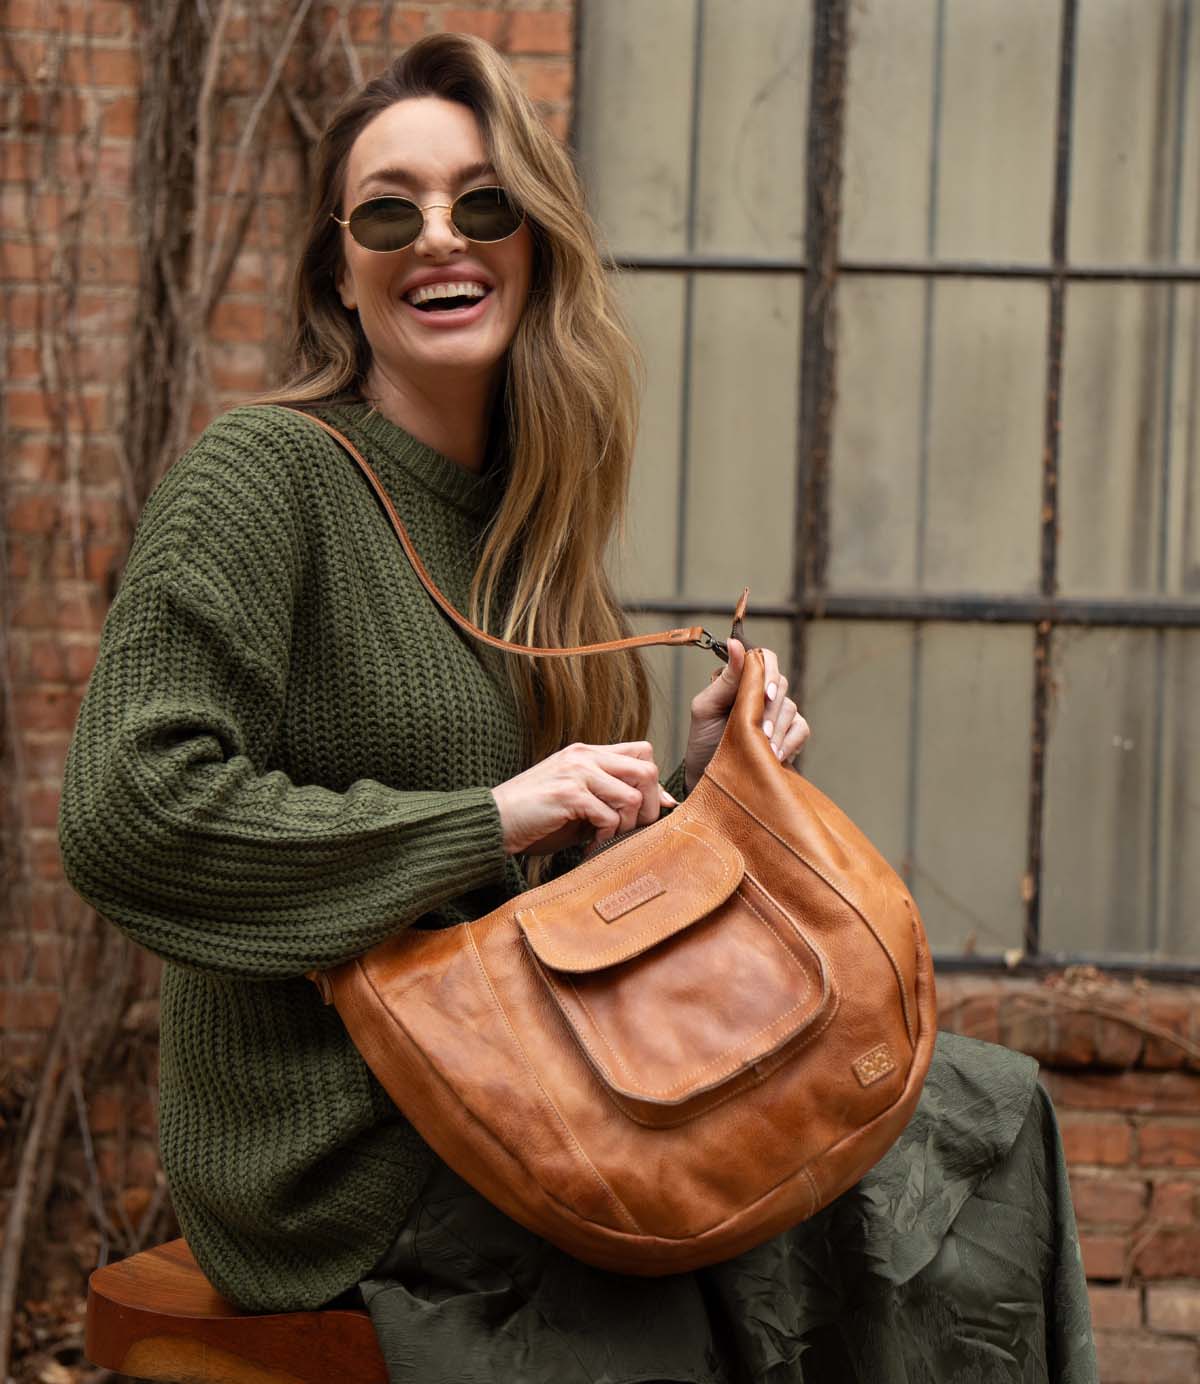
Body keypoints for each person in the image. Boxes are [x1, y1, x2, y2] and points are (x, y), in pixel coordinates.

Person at [59, 32, 1097, 1384]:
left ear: (534, 238)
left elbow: (559, 904)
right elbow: (125, 815)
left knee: (983, 1116)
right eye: (390, 210)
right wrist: (488, 815)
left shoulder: (537, 539)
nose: (441, 238)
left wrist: (708, 788)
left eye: (482, 201)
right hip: (342, 1153)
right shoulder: (267, 478)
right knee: (774, 1223)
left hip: (544, 1077)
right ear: (339, 272)